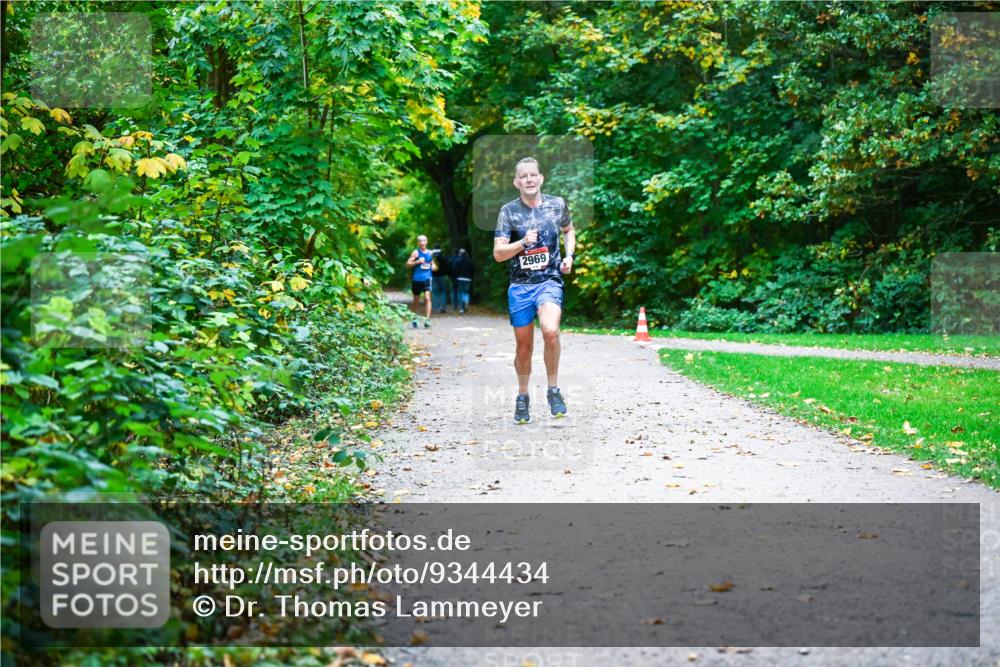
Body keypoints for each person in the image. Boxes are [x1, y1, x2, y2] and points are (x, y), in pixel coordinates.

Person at [493, 157, 575, 424]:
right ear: (516, 182)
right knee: (524, 347)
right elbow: (498, 254)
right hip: (520, 287)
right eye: (523, 176)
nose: (529, 179)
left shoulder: (557, 205)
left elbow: (568, 230)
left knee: (550, 331)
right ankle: (523, 396)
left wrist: (569, 256)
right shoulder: (508, 212)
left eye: (533, 175)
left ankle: (553, 390)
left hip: (549, 281)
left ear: (541, 178)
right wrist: (521, 243)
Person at [405, 235, 434, 328]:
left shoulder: (430, 253)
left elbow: (434, 265)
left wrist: (433, 266)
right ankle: (414, 317)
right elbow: (407, 264)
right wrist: (417, 262)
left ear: (427, 241)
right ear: (418, 243)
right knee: (416, 300)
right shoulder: (416, 252)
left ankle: (427, 319)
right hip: (417, 279)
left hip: (427, 278)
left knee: (427, 298)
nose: (422, 242)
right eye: (420, 241)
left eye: (424, 240)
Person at [450, 248, 474, 314]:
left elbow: (454, 269)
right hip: (468, 279)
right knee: (466, 292)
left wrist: (456, 276)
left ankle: (462, 307)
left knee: (460, 292)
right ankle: (466, 302)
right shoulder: (469, 260)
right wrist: (470, 276)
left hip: (460, 279)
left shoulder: (457, 260)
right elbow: (473, 269)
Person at [431, 249, 451, 314]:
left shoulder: (432, 258)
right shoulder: (443, 258)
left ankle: (436, 308)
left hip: (434, 277)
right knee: (443, 292)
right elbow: (448, 266)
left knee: (435, 293)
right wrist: (446, 273)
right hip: (442, 276)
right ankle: (442, 307)